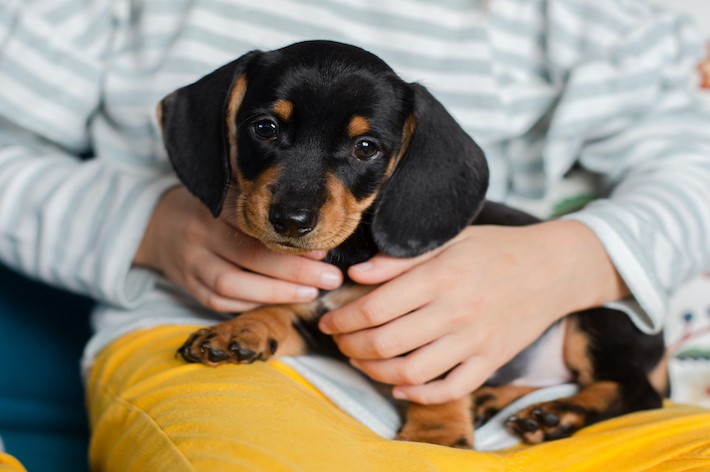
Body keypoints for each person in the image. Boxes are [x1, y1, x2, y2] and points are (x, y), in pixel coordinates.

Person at [1, 0, 709, 470]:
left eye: (364, 151)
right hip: (212, 347)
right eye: (268, 131)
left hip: (524, 376)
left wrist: (572, 260)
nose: (297, 207)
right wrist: (145, 225)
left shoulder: (601, 16)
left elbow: (691, 163)